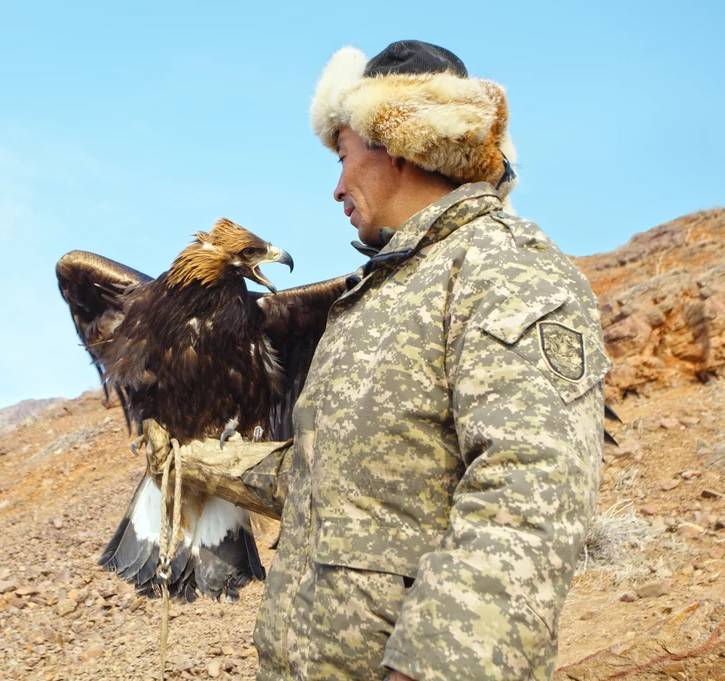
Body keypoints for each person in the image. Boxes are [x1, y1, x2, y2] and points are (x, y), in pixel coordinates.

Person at [140, 40, 609, 681]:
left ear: (393, 141)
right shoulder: (375, 298)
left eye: (343, 155)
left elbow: (530, 493)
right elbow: (328, 479)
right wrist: (197, 463)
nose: (335, 187)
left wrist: (429, 669)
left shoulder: (502, 268)